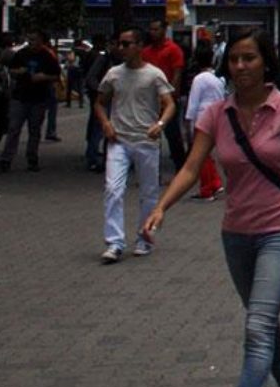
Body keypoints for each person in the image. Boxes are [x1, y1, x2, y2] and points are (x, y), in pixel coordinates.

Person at [143, 27, 280, 387]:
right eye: (234, 59)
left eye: (249, 58)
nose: (240, 66)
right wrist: (161, 206)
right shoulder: (216, 113)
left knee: (258, 324)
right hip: (236, 232)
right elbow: (191, 167)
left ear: (266, 62)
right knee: (260, 316)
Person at [96, 27, 176, 262]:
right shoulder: (113, 74)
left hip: (146, 141)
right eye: (119, 44)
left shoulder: (154, 74)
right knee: (113, 189)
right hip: (118, 140)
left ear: (140, 46)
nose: (121, 48)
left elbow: (169, 103)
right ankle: (114, 242)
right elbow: (99, 102)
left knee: (149, 192)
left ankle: (145, 237)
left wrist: (160, 123)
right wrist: (105, 124)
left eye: (126, 44)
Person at [0, 30, 61, 173]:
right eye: (30, 39)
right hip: (20, 96)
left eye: (34, 39)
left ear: (41, 41)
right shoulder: (21, 54)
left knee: (35, 130)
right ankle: (6, 159)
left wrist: (44, 77)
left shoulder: (47, 56)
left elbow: (56, 75)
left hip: (38, 97)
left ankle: (32, 158)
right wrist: (18, 72)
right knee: (14, 128)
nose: (31, 42)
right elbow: (11, 70)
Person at [142, 18, 187, 169]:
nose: (153, 33)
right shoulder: (146, 52)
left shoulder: (173, 49)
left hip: (168, 100)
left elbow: (177, 74)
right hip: (150, 101)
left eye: (156, 29)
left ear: (164, 30)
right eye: (151, 29)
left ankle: (180, 168)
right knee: (151, 136)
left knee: (173, 136)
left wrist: (171, 97)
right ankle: (151, 169)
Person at [185, 43, 227, 201]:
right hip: (216, 118)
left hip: (202, 119)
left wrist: (189, 122)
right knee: (207, 155)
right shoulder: (219, 79)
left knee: (200, 155)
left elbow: (193, 103)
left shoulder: (199, 79)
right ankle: (214, 183)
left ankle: (207, 189)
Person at [84, 36, 119, 173]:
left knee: (108, 129)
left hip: (116, 100)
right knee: (98, 128)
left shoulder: (122, 61)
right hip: (104, 99)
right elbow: (90, 77)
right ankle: (93, 158)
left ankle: (106, 158)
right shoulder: (104, 59)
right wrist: (101, 91)